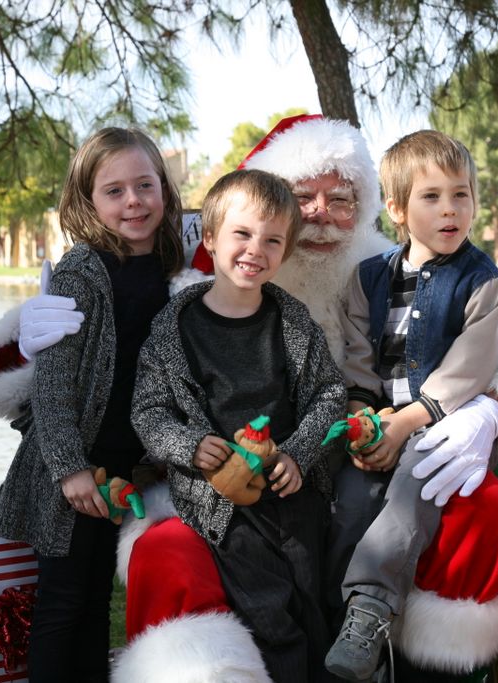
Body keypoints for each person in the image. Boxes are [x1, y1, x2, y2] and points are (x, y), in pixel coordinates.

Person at [0, 115, 498, 679]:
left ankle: (423, 667)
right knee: (115, 578)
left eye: (341, 200)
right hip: (203, 478)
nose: (319, 215)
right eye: (302, 196)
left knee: (469, 508)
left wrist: (489, 405)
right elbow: (111, 368)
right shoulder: (190, 279)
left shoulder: (385, 266)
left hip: (338, 461)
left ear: (369, 207)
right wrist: (30, 340)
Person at [130, 169, 345, 681]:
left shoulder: (291, 321)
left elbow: (329, 394)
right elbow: (148, 412)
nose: (256, 250)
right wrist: (189, 445)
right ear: (210, 239)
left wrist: (298, 453)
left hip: (291, 491)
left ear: (285, 250)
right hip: (224, 500)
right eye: (242, 234)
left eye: (272, 240)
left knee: (311, 602)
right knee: (268, 611)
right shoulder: (174, 328)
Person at [0, 126, 184, 681]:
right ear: (87, 201)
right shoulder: (82, 273)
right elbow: (53, 385)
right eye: (114, 191)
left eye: (144, 186)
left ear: (164, 190)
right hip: (72, 466)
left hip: (124, 466)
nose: (133, 202)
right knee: (64, 601)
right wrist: (70, 470)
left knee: (98, 596)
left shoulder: (173, 265)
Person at [324, 130, 498, 680]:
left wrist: (407, 422)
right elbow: (360, 358)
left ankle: (372, 610)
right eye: (432, 197)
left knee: (416, 482)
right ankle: (349, 637)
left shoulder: (483, 282)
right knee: (351, 501)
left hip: (448, 431)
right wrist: (366, 421)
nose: (450, 209)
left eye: (461, 194)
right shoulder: (370, 278)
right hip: (386, 421)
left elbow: (469, 368)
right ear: (398, 209)